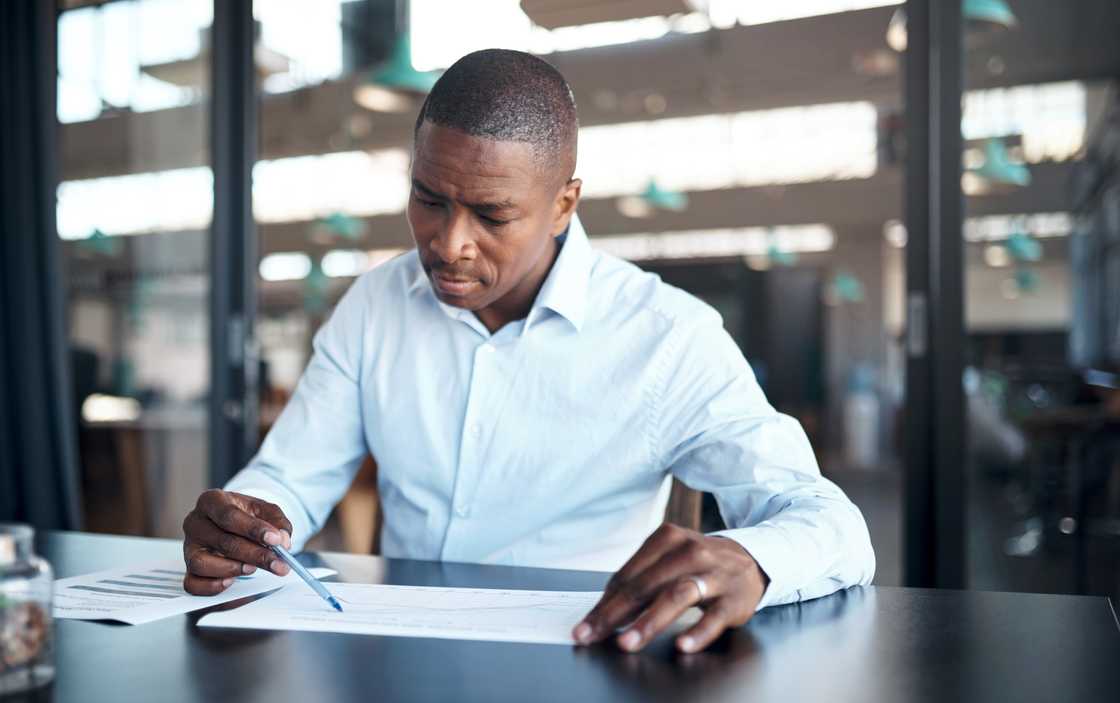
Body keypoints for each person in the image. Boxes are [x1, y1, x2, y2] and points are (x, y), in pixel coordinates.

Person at [181, 48, 874, 653]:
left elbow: (831, 524)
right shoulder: (373, 306)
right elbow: (292, 478)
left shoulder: (667, 337)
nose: (449, 243)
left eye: (491, 214)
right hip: (397, 653)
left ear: (564, 203)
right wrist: (248, 520)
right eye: (428, 198)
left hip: (584, 656)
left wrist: (749, 555)